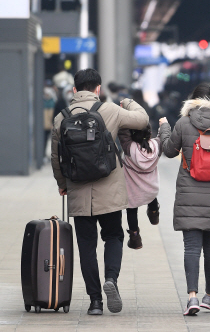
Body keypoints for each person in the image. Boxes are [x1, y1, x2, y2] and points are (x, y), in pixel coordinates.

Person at [50, 68, 149, 316]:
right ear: (98, 89)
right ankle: (111, 280)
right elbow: (142, 120)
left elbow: (55, 157)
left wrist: (62, 183)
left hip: (77, 191)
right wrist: (127, 100)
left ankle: (95, 301)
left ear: (74, 90)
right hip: (110, 191)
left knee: (86, 245)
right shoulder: (110, 110)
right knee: (113, 237)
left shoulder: (62, 117)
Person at [158, 82, 210, 316]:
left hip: (189, 193)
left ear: (193, 100)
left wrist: (164, 128)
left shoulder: (184, 123)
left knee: (192, 248)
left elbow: (168, 150)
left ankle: (192, 297)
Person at [118, 124, 162, 249]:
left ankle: (135, 238)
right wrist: (163, 125)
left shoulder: (128, 147)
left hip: (132, 191)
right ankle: (154, 215)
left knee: (131, 210)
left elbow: (122, 132)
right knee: (151, 196)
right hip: (151, 191)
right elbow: (163, 136)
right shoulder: (156, 145)